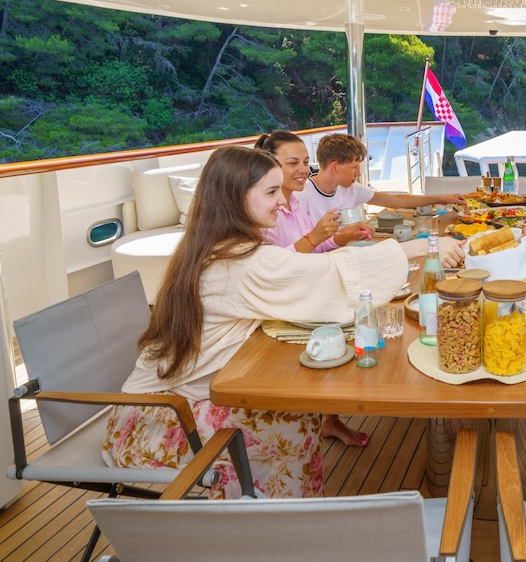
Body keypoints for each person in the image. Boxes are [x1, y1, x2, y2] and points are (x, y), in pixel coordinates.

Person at [102, 146, 410, 499]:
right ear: (235, 198)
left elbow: (301, 274)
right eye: (271, 192)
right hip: (158, 421)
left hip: (162, 404)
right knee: (292, 424)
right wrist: (418, 251)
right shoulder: (239, 262)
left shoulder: (213, 246)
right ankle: (265, 527)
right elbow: (326, 277)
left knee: (297, 416)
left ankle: (278, 518)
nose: (283, 201)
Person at [252, 130, 374, 447]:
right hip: (286, 304)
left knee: (371, 306)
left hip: (308, 290)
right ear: (269, 166)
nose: (303, 169)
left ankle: (329, 419)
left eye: (306, 161)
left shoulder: (297, 204)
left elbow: (315, 250)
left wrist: (342, 237)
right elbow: (275, 269)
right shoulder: (265, 213)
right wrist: (317, 237)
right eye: (292, 162)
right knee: (363, 318)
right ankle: (323, 414)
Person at [295, 134, 466, 225]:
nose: (358, 174)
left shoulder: (350, 188)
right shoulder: (302, 196)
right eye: (354, 167)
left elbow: (395, 200)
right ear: (334, 167)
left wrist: (443, 198)